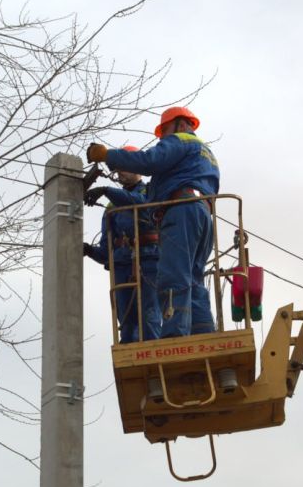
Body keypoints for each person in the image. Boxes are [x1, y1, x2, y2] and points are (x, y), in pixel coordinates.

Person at [86, 107, 220, 338]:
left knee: (174, 276)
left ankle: (174, 338)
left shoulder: (181, 140)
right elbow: (148, 200)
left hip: (181, 211)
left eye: (165, 130)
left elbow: (149, 160)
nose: (163, 137)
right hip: (202, 213)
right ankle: (203, 335)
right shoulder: (204, 155)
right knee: (194, 280)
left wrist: (107, 155)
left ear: (180, 124)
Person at [83, 147, 161, 342]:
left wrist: (108, 191)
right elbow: (106, 250)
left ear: (138, 169)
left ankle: (153, 357)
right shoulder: (111, 207)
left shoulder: (151, 191)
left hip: (149, 261)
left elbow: (143, 208)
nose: (120, 173)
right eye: (118, 170)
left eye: (125, 168)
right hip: (121, 265)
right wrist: (89, 250)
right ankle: (133, 359)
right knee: (126, 319)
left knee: (149, 315)